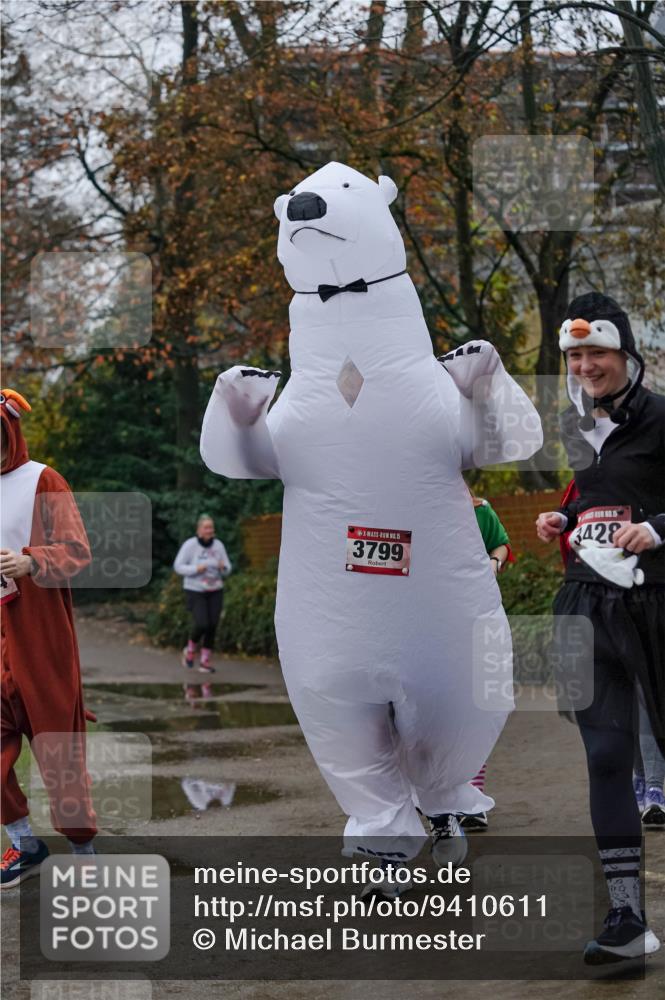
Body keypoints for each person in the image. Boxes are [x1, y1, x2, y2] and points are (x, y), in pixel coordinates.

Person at [535, 292, 664, 965]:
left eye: (596, 353)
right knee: (607, 760)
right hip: (588, 605)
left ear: (625, 354)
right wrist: (564, 522)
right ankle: (626, 921)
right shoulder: (574, 423)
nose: (584, 366)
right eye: (574, 355)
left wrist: (659, 529)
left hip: (656, 602)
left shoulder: (662, 416)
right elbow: (593, 500)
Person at [1, 389, 97, 888]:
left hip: (39, 634)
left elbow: (78, 551)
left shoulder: (42, 478)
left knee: (57, 747)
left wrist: (32, 560)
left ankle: (83, 851)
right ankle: (24, 843)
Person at [560, 478, 665, 829]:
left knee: (648, 696)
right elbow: (575, 519)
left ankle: (656, 788)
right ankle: (640, 781)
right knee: (624, 697)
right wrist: (559, 519)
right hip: (599, 602)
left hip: (650, 595)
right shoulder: (588, 475)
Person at [458, 487, 512, 832]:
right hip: (430, 625)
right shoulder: (413, 512)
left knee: (476, 707)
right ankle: (439, 797)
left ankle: (474, 800)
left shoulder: (479, 511)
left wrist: (494, 562)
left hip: (478, 617)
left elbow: (502, 543)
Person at [173, 515, 231, 674]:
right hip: (195, 589)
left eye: (211, 527)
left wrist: (222, 568)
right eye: (206, 527)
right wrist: (195, 569)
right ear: (199, 530)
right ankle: (190, 650)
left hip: (215, 589)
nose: (209, 530)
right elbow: (178, 566)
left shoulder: (218, 546)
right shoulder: (190, 545)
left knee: (212, 625)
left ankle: (205, 661)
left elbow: (227, 568)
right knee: (202, 623)